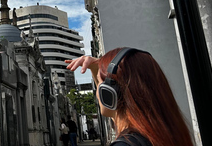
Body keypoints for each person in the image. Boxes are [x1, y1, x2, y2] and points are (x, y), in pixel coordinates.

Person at [65, 47, 194, 146]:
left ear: (109, 93)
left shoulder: (126, 143)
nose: (98, 95)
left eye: (100, 84)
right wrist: (95, 69)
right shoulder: (166, 133)